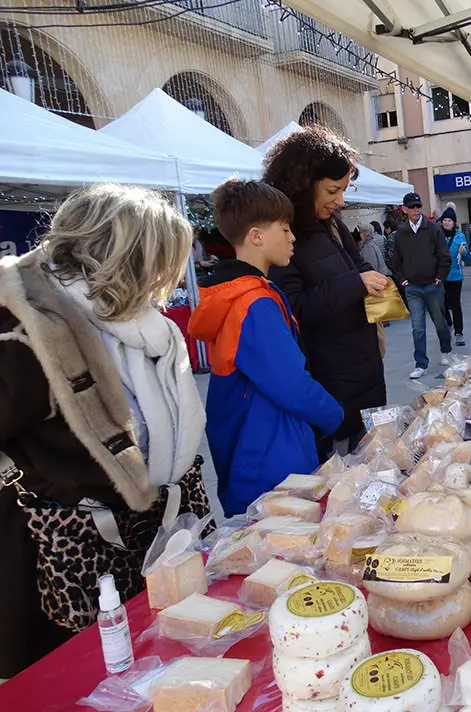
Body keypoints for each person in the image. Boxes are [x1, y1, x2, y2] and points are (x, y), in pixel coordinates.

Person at [0, 184, 210, 677]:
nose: (167, 278)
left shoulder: (134, 325)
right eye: (161, 261)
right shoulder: (30, 332)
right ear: (126, 257)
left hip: (135, 546)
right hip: (56, 561)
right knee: (73, 682)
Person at [188, 180, 344, 515]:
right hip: (269, 458)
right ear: (256, 236)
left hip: (258, 447)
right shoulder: (253, 303)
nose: (292, 238)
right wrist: (335, 415)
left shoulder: (245, 293)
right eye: (285, 230)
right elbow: (291, 385)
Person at [263, 126, 389, 455]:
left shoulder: (330, 223)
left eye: (345, 190)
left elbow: (356, 265)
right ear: (305, 185)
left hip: (365, 376)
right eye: (334, 190)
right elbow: (293, 308)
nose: (340, 200)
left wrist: (374, 279)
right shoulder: (284, 236)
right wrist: (355, 283)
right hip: (330, 388)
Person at [392, 191, 453, 379]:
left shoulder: (433, 229)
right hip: (413, 288)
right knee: (417, 328)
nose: (416, 210)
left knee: (440, 323)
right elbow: (396, 260)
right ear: (404, 209)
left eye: (418, 206)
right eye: (412, 207)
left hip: (432, 285)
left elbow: (444, 256)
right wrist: (402, 280)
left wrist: (439, 278)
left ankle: (446, 351)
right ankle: (421, 364)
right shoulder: (400, 233)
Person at [440, 207, 471, 346]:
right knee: (442, 303)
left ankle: (459, 333)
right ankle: (449, 323)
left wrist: (463, 252)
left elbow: (468, 256)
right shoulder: (437, 235)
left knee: (455, 304)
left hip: (455, 275)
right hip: (440, 275)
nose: (446, 223)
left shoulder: (460, 236)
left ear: (454, 223)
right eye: (444, 220)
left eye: (449, 220)